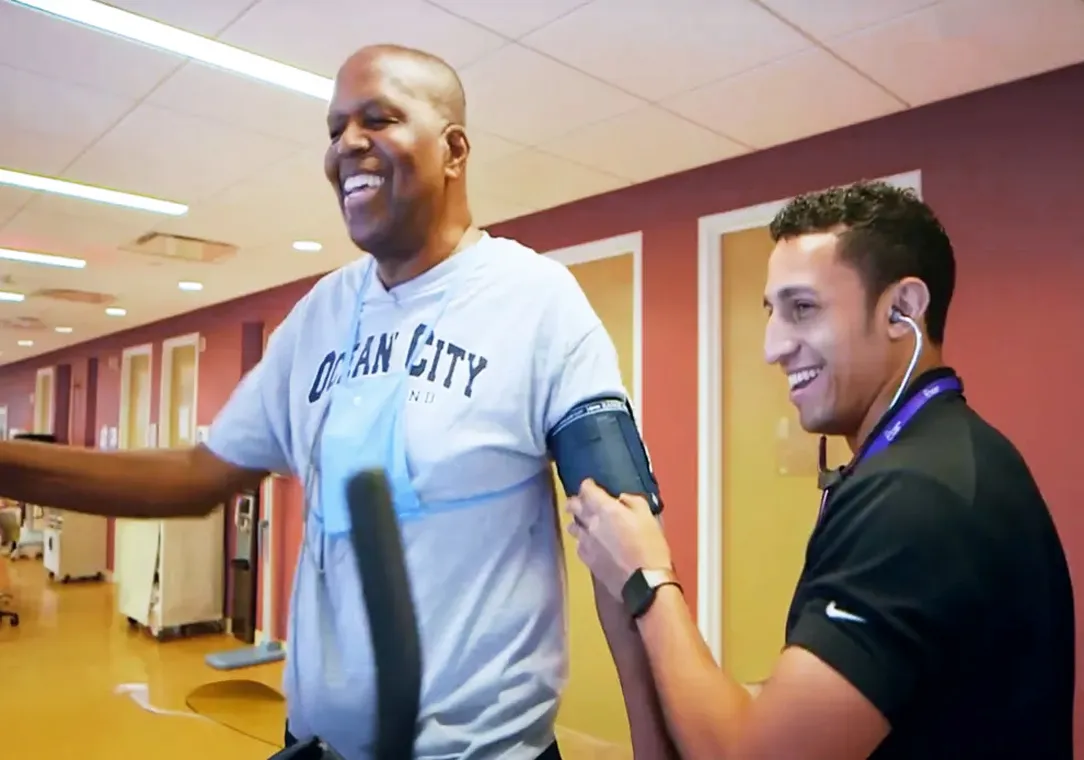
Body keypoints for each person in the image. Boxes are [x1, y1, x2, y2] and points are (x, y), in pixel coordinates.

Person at [0, 44, 674, 759]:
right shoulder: (317, 317)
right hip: (316, 743)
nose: (346, 146)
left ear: (454, 150)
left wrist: (654, 749)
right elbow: (196, 477)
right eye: (334, 129)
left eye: (378, 119)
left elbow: (619, 540)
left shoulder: (538, 303)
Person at [566, 180, 1075, 759]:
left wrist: (648, 578)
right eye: (772, 313)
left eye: (802, 309)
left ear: (902, 310)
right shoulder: (946, 455)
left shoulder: (916, 497)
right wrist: (631, 614)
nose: (773, 346)